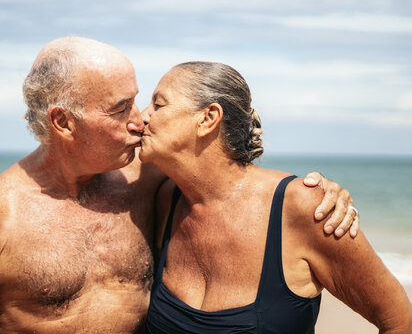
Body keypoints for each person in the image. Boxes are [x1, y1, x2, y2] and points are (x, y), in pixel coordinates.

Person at [0, 37, 358, 333]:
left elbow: (227, 176)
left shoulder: (145, 180)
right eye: (120, 108)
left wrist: (322, 195)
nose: (140, 119)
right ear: (64, 122)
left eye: (139, 100)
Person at [140, 61, 412, 333]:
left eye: (158, 105)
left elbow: (399, 321)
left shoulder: (303, 207)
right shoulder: (166, 202)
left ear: (208, 118)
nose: (142, 116)